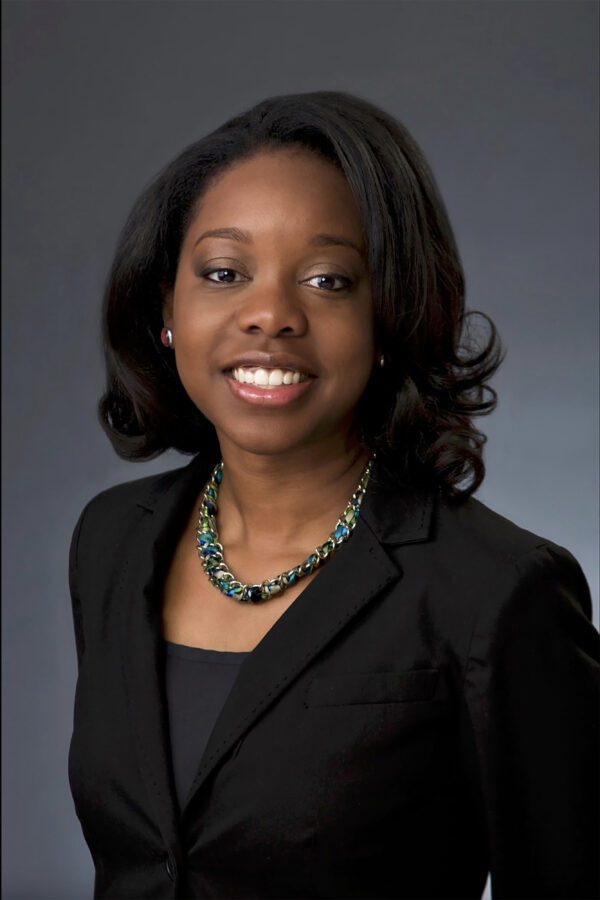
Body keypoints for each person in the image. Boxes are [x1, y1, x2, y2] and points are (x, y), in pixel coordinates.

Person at [67, 90, 599, 900]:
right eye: (222, 272)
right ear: (166, 309)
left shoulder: (496, 592)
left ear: (390, 316)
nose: (270, 316)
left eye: (327, 279)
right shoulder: (111, 542)